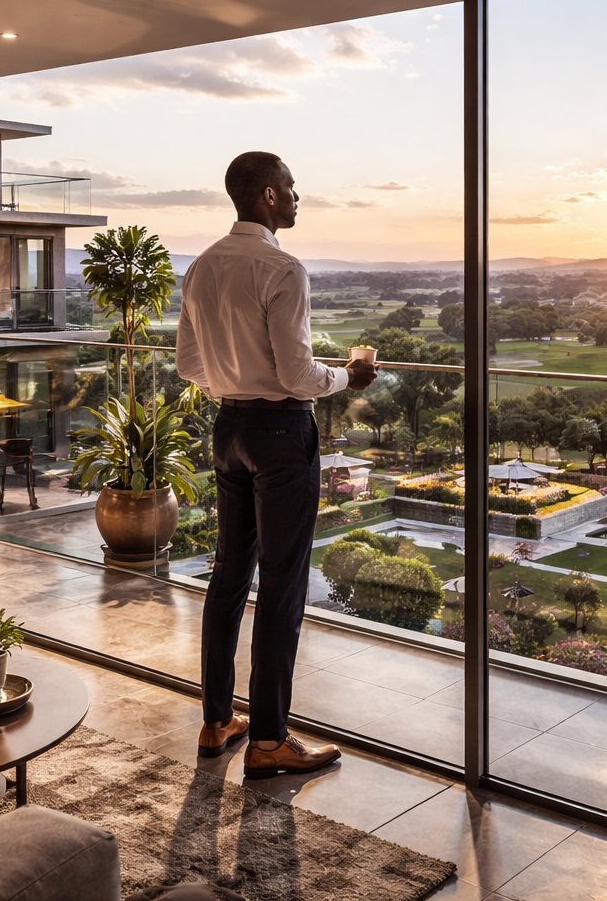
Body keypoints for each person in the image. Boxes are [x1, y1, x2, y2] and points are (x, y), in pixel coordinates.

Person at [176, 151, 377, 778]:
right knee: (283, 585)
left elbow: (188, 365)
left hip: (228, 426)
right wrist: (352, 374)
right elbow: (296, 375)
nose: (297, 197)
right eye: (291, 188)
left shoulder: (203, 266)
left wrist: (235, 379)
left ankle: (216, 722)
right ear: (267, 194)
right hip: (282, 433)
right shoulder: (282, 268)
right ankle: (267, 739)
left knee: (230, 574)